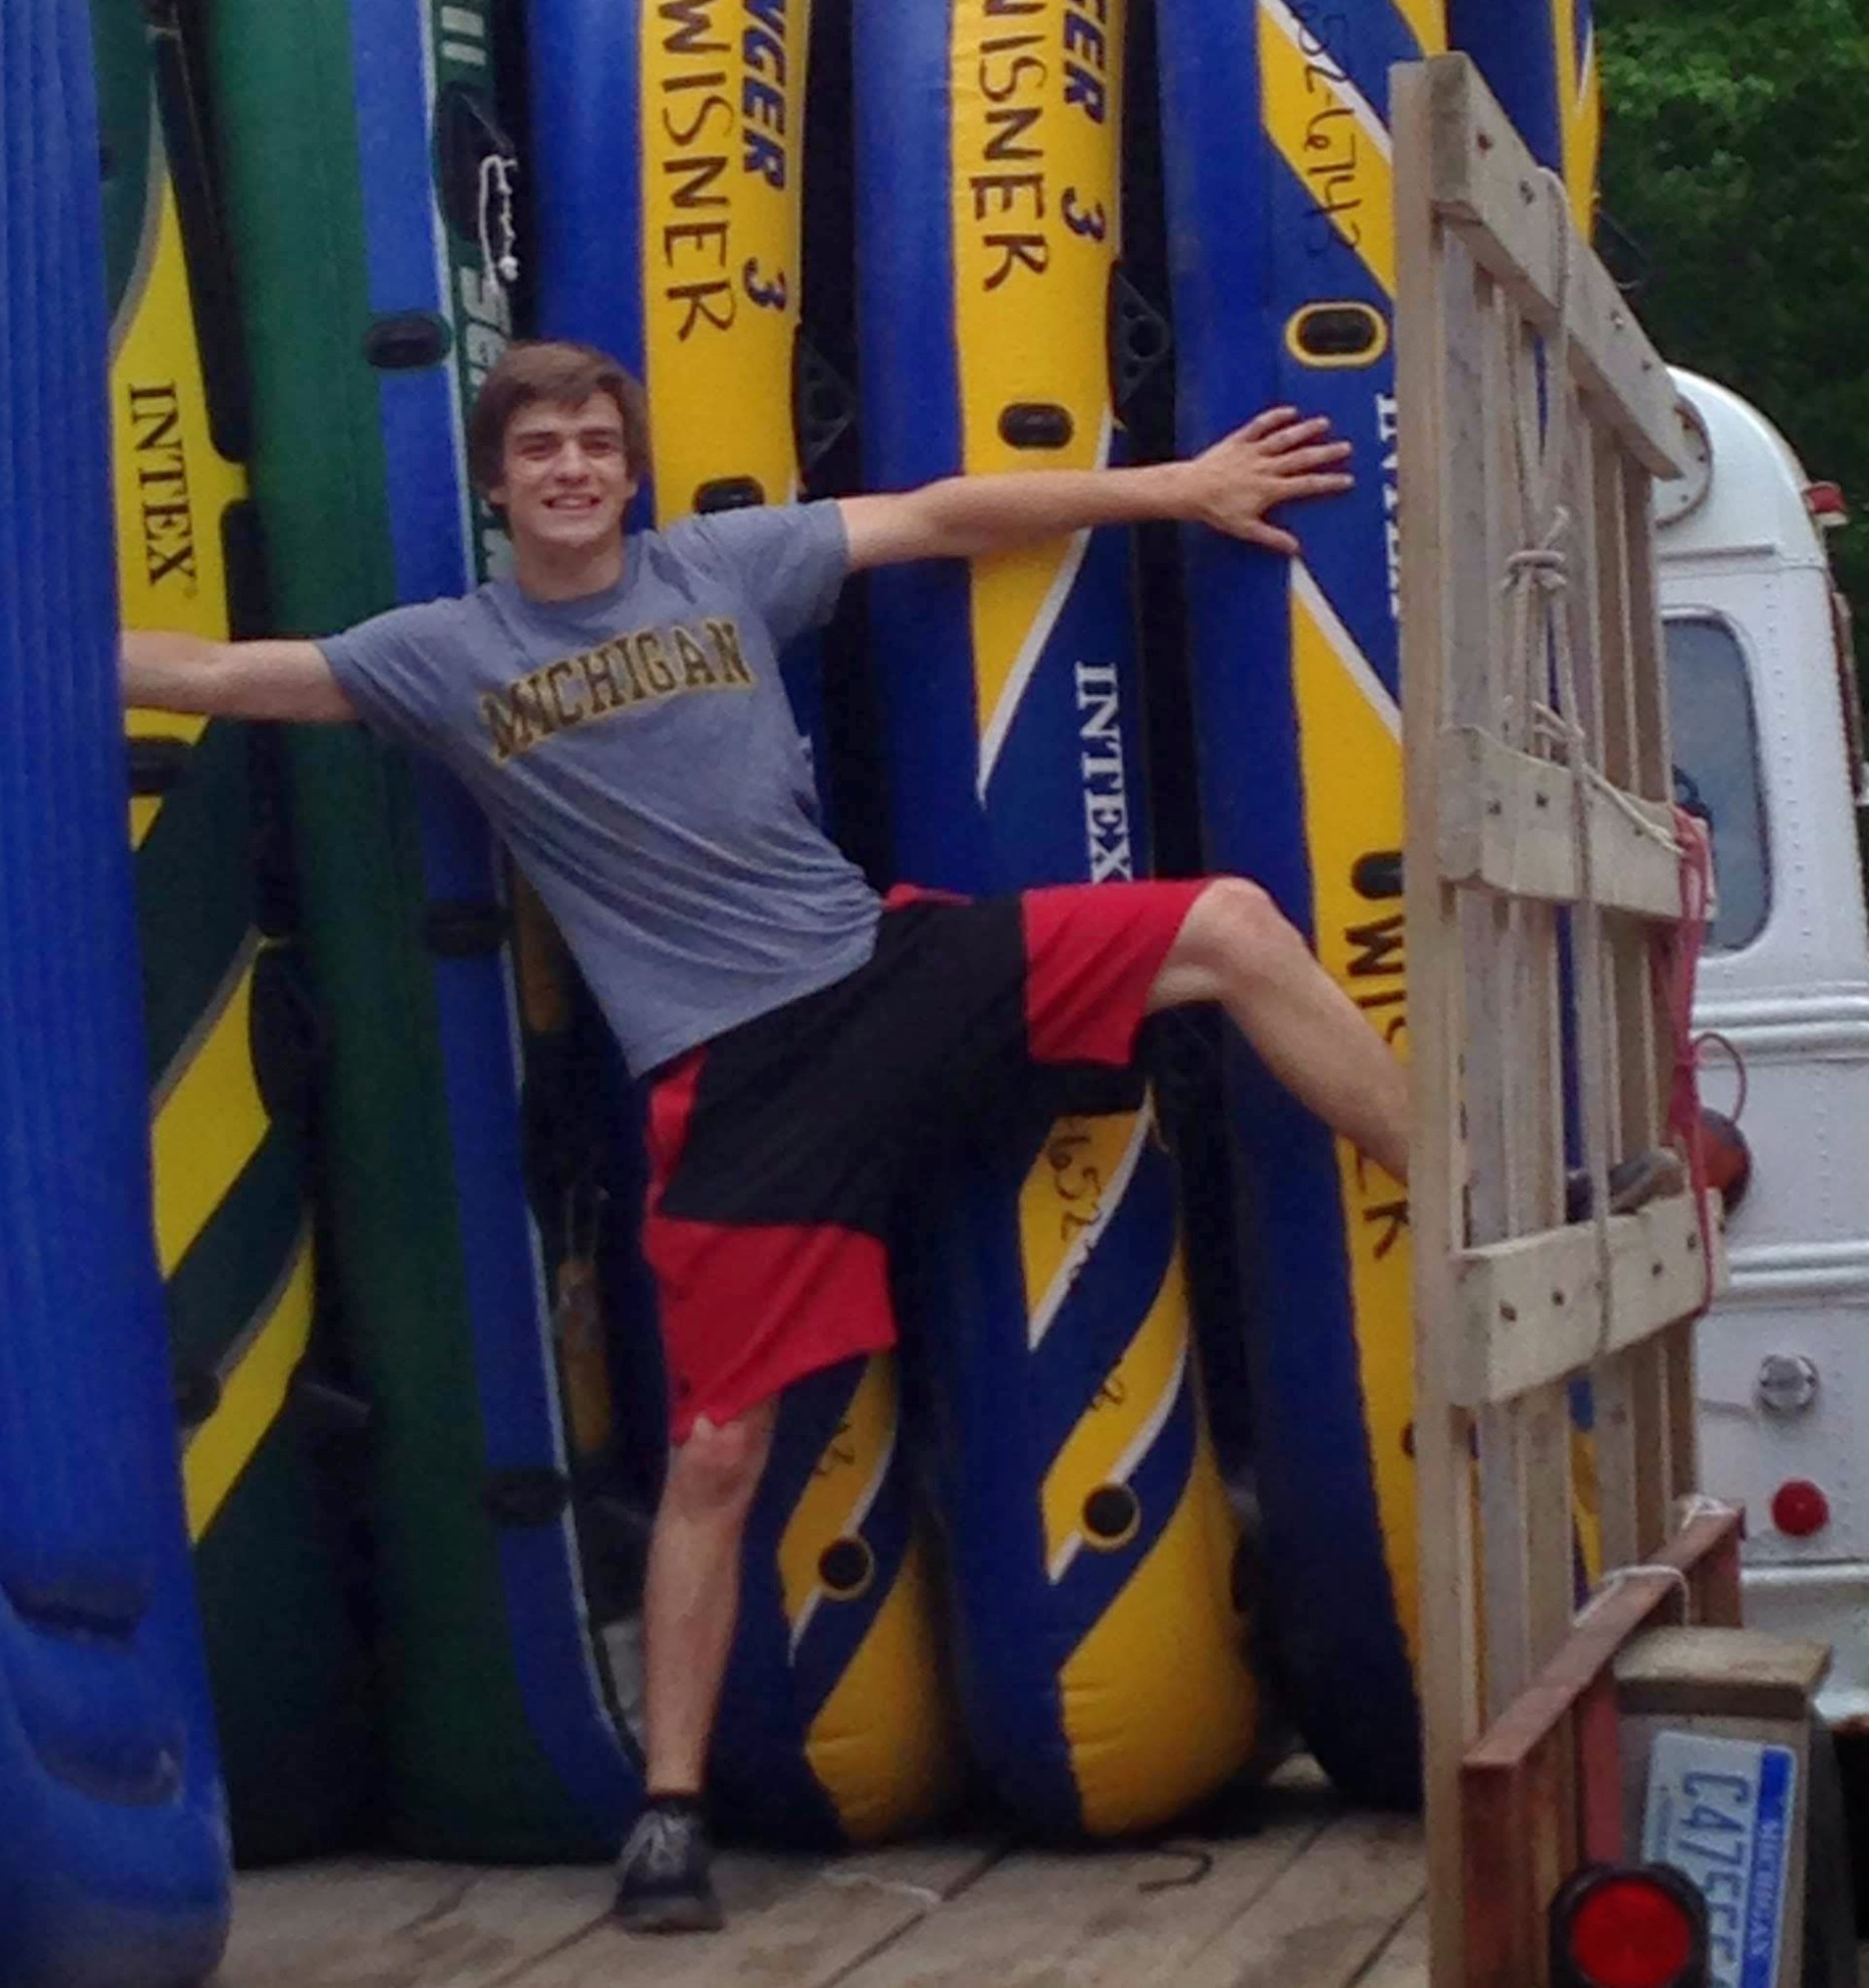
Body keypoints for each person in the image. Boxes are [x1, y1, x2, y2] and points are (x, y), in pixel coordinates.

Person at [122, 339, 1411, 1930]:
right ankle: (670, 1816)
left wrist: (1186, 487)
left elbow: (942, 516)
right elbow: (221, 675)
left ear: (630, 469)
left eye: (596, 444)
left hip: (880, 976)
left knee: (1230, 925)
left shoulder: (722, 565)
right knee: (720, 1452)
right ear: (498, 484)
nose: (573, 469)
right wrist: (6, 645)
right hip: (735, 1081)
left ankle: (1453, 1186)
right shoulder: (443, 655)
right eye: (541, 450)